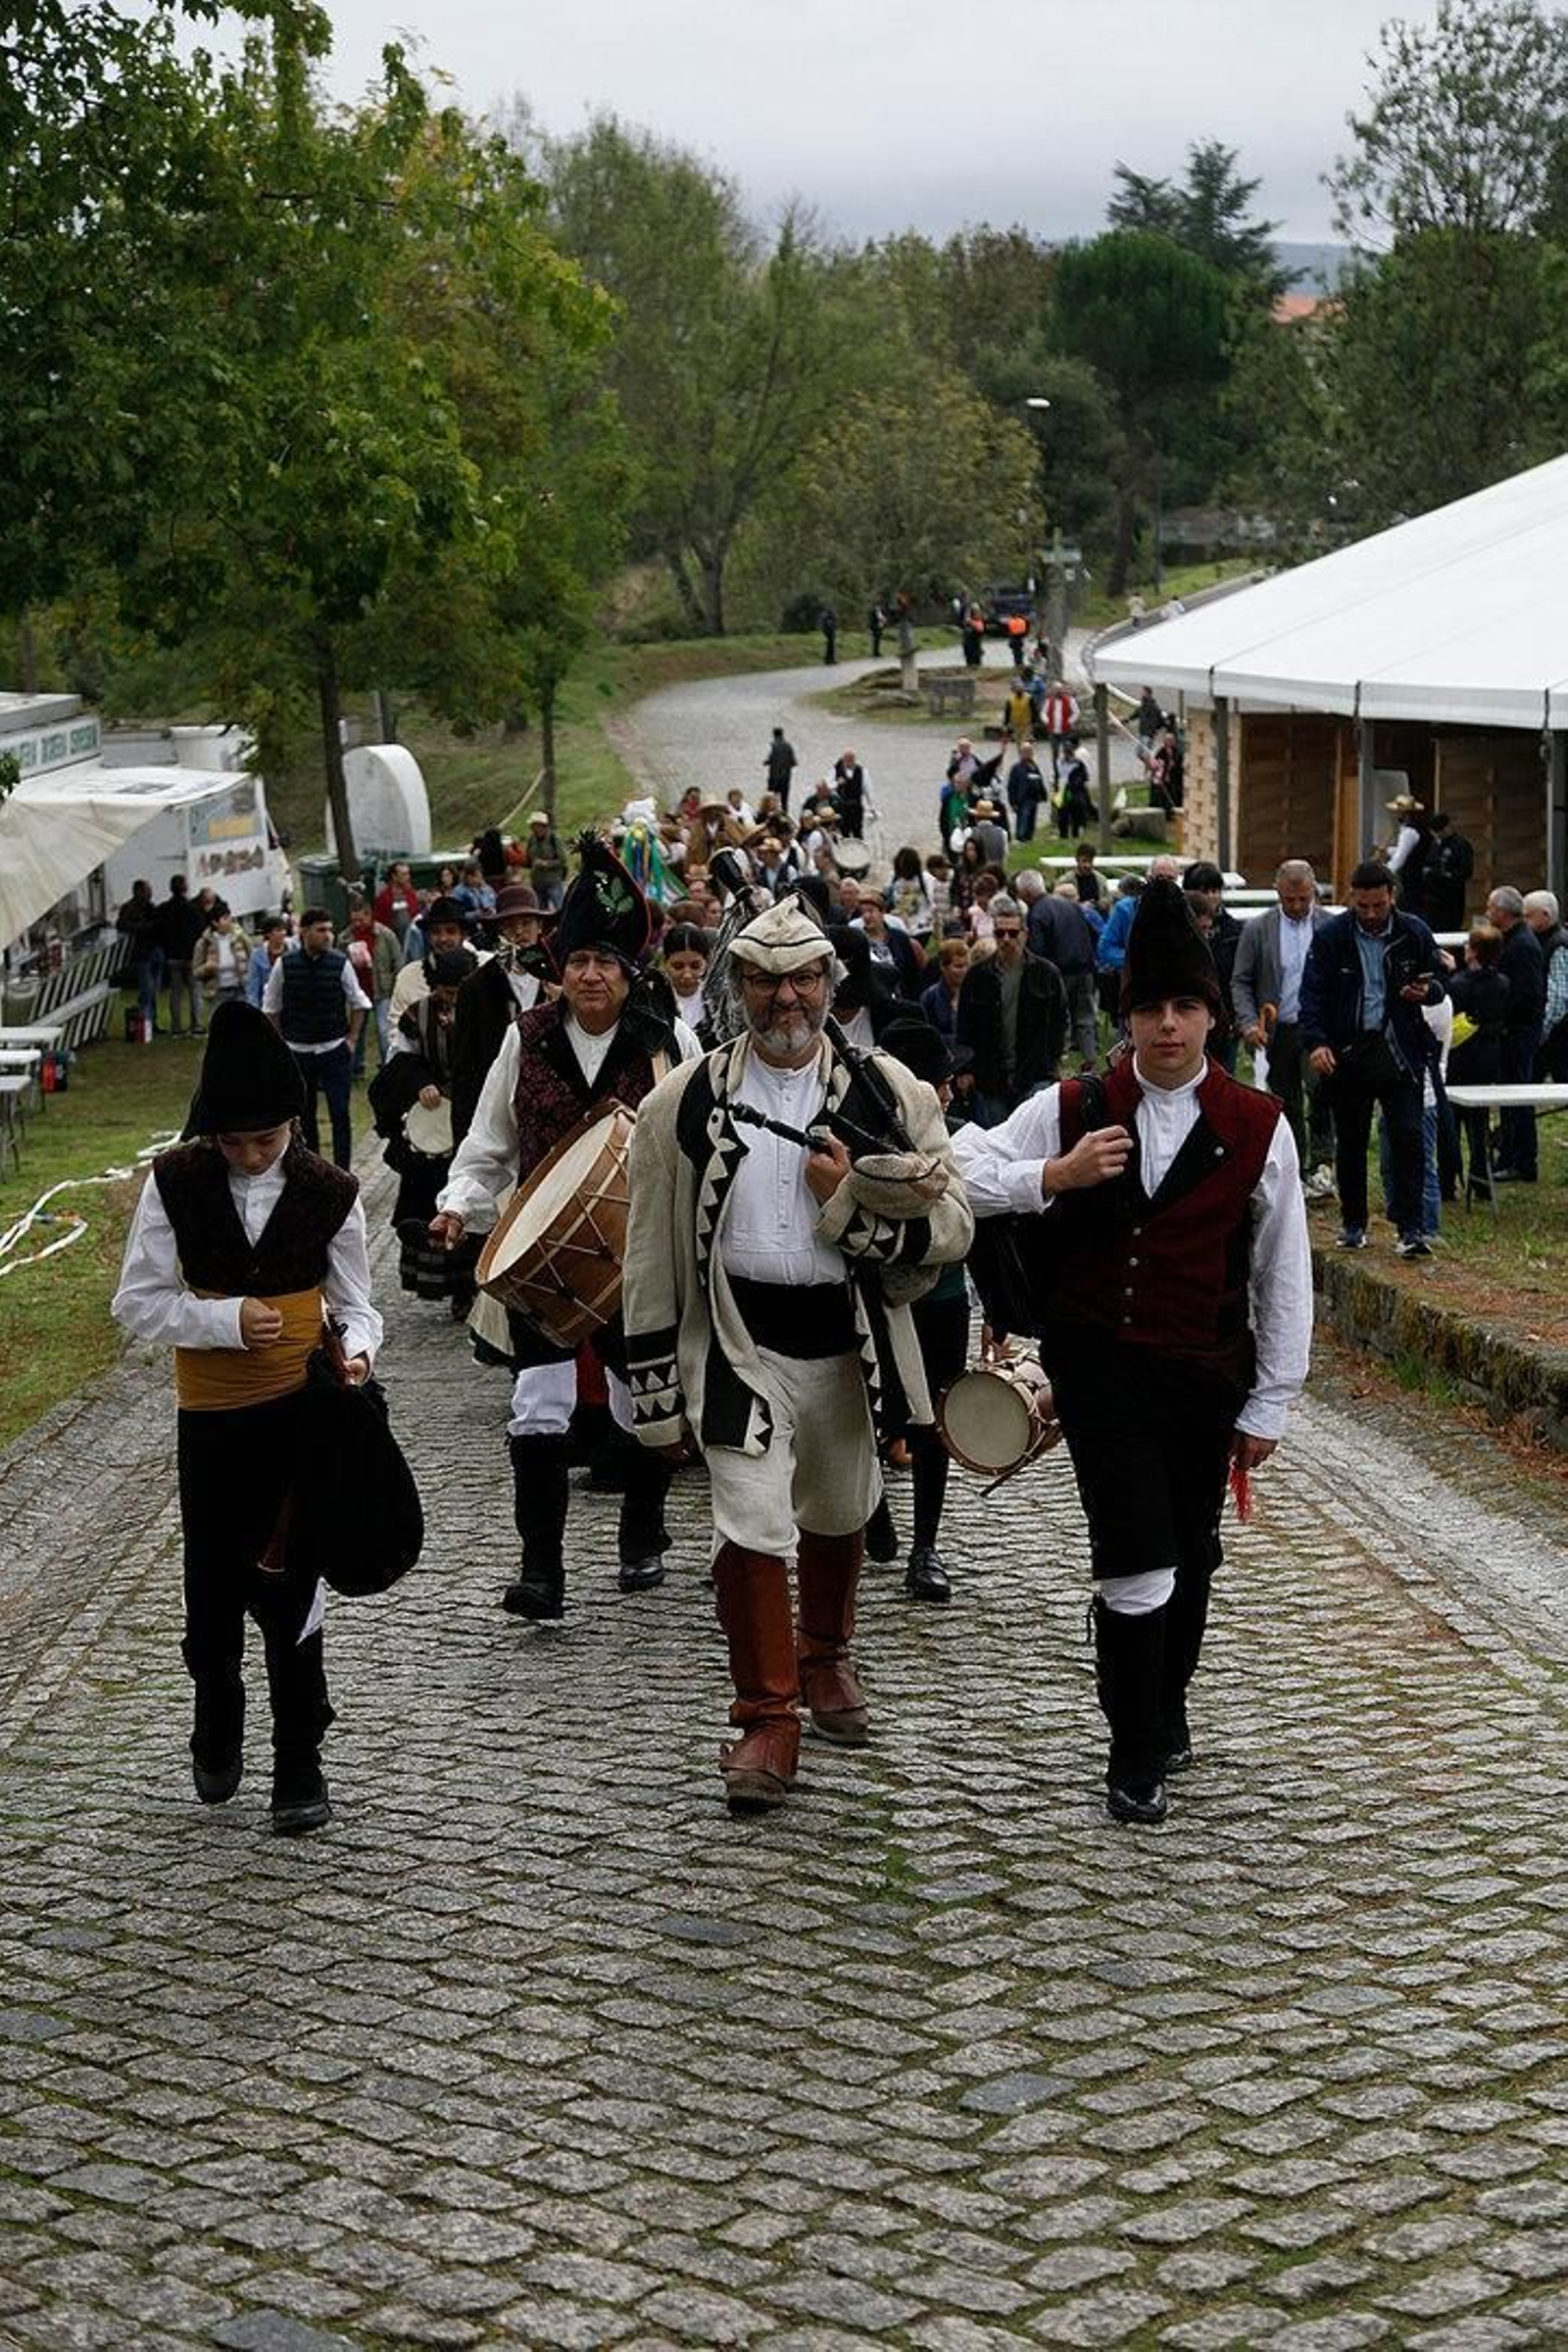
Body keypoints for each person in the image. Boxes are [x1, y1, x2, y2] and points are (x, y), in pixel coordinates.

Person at [953, 879, 1311, 1826]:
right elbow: (958, 1166)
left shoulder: (1257, 1127)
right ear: (1126, 1018)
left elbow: (1282, 1275)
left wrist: (1270, 1403)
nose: (1167, 1027)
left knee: (1191, 1553)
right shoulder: (1074, 1104)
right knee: (1136, 1556)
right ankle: (1134, 1749)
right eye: (1149, 1009)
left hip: (1204, 1373)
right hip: (1099, 1369)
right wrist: (1050, 1177)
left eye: (1185, 1008)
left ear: (1210, 1019)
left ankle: (1165, 1707)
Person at [621, 898, 973, 1813]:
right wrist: (656, 1400)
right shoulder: (684, 1099)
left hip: (849, 1342)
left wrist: (847, 1196)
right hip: (737, 1342)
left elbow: (953, 1225)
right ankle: (765, 1718)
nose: (787, 998)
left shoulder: (893, 1092)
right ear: (737, 987)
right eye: (766, 980)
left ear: (829, 984)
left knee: (838, 1506)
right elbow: (652, 1252)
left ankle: (825, 1657)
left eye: (804, 978)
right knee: (747, 1520)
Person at [110, 1001, 383, 1835]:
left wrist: (360, 1353)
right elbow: (137, 1304)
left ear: (293, 1124)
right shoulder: (176, 1183)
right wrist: (220, 1322)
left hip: (300, 1416)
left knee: (293, 1587)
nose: (250, 1157)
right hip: (214, 1420)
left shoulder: (332, 1193)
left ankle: (301, 1759)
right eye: (233, 1144)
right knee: (212, 1586)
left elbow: (360, 1305)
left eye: (265, 1141)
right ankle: (215, 1717)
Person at [431, 838, 696, 1616]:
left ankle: (642, 1534)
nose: (589, 976)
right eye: (577, 960)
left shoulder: (666, 1040)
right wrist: (458, 1204)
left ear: (629, 970)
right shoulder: (528, 1036)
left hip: (637, 1257)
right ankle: (540, 1567)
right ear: (559, 966)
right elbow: (488, 1144)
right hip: (542, 1256)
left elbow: (700, 1140)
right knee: (537, 1404)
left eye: (605, 963)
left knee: (640, 1400)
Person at [870, 1017, 975, 1604]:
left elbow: (980, 1216)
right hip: (876, 1297)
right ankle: (872, 1506)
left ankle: (926, 1545)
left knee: (934, 1416)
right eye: (938, 1082)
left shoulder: (958, 1135)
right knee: (868, 1409)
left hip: (942, 1295)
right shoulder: (860, 1129)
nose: (948, 1092)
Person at [1298, 859, 1446, 1254]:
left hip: (1401, 1052)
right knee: (1351, 1141)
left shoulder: (1413, 931)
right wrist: (1317, 1043)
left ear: (1391, 897)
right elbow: (1312, 995)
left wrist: (1426, 993)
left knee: (1409, 1138)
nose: (1370, 914)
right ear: (1352, 899)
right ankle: (1353, 1222)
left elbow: (1440, 980)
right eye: (1362, 906)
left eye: (1378, 906)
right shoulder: (1332, 937)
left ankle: (1411, 1228)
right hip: (1349, 1053)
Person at [369, 947, 477, 1295]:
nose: (454, 1000)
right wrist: (420, 1083)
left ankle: (478, 1285)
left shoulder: (489, 1010)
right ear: (435, 987)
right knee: (435, 1200)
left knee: (477, 1198)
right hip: (437, 1121)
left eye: (460, 992)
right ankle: (452, 1287)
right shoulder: (418, 1015)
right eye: (447, 993)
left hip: (477, 1119)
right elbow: (400, 1061)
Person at [1230, 859, 1334, 1193]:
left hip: (1318, 1028)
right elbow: (1241, 981)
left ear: (1313, 892)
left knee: (1321, 1091)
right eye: (1290, 900)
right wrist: (1248, 1022)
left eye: (1304, 899)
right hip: (1278, 1029)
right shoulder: (1258, 929)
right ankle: (1294, 1171)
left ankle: (1323, 1163)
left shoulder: (1329, 927)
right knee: (1286, 1101)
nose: (1297, 906)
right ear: (1278, 894)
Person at [264, 906, 370, 1170]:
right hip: (297, 1050)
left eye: (330, 929)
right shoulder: (284, 965)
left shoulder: (340, 963)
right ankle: (310, 1171)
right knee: (302, 1117)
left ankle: (343, 1171)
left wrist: (351, 1040)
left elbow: (359, 1002)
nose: (328, 935)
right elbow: (271, 1008)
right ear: (305, 932)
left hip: (333, 1049)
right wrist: (280, 1047)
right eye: (321, 930)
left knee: (340, 1114)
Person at [449, 883, 554, 1143]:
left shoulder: (560, 977)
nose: (519, 932)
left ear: (540, 926)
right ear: (498, 930)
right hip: (497, 1110)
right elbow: (464, 1067)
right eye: (510, 924)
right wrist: (465, 1136)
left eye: (527, 922)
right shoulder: (476, 986)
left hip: (552, 1110)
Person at [956, 893, 1068, 1125]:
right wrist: (965, 1069)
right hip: (990, 1076)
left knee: (1030, 1142)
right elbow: (965, 1026)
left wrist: (1053, 1063)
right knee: (994, 1142)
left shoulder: (1047, 974)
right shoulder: (977, 976)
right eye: (1000, 933)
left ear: (1025, 935)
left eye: (1013, 933)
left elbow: (1060, 1022)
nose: (1006, 939)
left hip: (1034, 1073)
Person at [1444, 923, 1510, 1196]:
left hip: (1460, 1059)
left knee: (1451, 1124)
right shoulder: (1503, 983)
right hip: (1487, 1057)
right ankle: (1480, 1178)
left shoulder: (1458, 984)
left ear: (1472, 952)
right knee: (1479, 1123)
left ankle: (1448, 1180)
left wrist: (1449, 973)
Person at [1487, 886, 1546, 1182]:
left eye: (1490, 908)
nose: (1486, 913)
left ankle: (1521, 1160)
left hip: (1518, 1033)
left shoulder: (1521, 945)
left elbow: (1527, 995)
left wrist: (1504, 1021)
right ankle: (1511, 1155)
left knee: (1515, 1097)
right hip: (1515, 1031)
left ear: (1502, 912)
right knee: (1511, 1097)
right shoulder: (1514, 940)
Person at [1023, 873, 1100, 1068]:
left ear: (1026, 893)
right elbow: (1089, 933)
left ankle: (1059, 1060)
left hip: (1060, 972)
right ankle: (1090, 1058)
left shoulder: (1037, 913)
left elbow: (1037, 950)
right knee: (1085, 1017)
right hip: (1084, 968)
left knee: (1060, 1017)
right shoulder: (1071, 905)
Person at [389, 897, 476, 1036]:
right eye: (436, 932)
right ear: (429, 936)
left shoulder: (484, 967)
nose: (443, 938)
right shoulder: (409, 977)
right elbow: (395, 1031)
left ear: (463, 935)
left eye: (450, 931)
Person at [340, 897, 401, 1074]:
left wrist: (395, 987)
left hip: (382, 990)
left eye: (361, 919)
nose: (357, 924)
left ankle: (388, 1067)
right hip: (358, 992)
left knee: (384, 1031)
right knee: (356, 1032)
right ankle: (355, 1067)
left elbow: (397, 961)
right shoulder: (345, 938)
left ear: (370, 916)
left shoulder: (385, 935)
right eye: (354, 920)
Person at [1525, 889, 1568, 1081]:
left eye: (1528, 916)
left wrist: (1540, 1033)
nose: (1524, 921)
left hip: (1557, 1034)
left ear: (1545, 915)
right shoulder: (1542, 941)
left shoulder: (1559, 945)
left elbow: (1559, 997)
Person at [156, 874, 207, 1037]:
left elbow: (160, 931)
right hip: (191, 956)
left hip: (172, 956)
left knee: (176, 993)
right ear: (185, 888)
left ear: (171, 888)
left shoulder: (164, 908)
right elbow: (201, 931)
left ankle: (176, 1027)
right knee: (195, 992)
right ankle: (196, 1025)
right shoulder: (193, 909)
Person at [117, 880, 165, 1036]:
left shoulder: (151, 907)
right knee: (147, 990)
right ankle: (146, 1024)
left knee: (154, 990)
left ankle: (153, 1021)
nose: (150, 893)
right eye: (147, 890)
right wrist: (145, 927)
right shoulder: (128, 909)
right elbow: (122, 926)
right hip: (142, 953)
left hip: (155, 950)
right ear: (138, 891)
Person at [1422, 810, 1474, 935]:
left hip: (1451, 900)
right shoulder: (1434, 843)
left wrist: (1444, 875)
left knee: (1450, 932)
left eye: (1439, 832)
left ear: (1446, 828)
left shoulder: (1461, 845)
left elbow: (1466, 872)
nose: (1437, 835)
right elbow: (1428, 862)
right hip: (1432, 898)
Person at [193, 908, 253, 1014]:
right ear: (215, 923)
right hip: (217, 993)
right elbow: (196, 972)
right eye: (225, 919)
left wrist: (243, 935)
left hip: (239, 990)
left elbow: (252, 955)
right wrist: (207, 967)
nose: (230, 921)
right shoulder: (204, 943)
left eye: (230, 918)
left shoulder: (239, 938)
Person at [1385, 794, 1433, 919]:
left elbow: (1399, 860)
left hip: (1412, 880)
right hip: (1418, 878)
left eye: (1398, 813)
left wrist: (1382, 872)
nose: (1395, 815)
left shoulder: (1409, 832)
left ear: (1404, 814)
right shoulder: (1416, 830)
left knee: (1410, 912)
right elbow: (1408, 850)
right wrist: (1388, 851)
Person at [920, 932, 970, 1042]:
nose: (964, 971)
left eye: (967, 965)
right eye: (958, 966)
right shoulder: (930, 997)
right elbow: (927, 1036)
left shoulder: (976, 993)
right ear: (943, 966)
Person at [519, 811, 567, 908]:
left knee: (560, 908)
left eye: (534, 826)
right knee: (541, 911)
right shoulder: (532, 840)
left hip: (553, 881)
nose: (532, 829)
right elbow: (528, 860)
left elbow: (562, 860)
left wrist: (546, 864)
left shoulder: (554, 839)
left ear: (543, 826)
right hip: (537, 883)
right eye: (532, 826)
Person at [245, 915, 289, 1010]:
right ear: (268, 934)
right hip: (268, 1005)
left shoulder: (292, 949)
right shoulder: (257, 956)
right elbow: (253, 986)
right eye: (278, 930)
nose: (283, 933)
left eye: (284, 930)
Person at [1006, 742, 1047, 843]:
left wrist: (1043, 794)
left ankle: (1029, 838)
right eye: (1026, 751)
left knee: (1031, 820)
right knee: (1023, 819)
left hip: (1034, 798)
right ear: (1020, 753)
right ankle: (1021, 838)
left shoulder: (1034, 766)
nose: (1028, 753)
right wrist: (1012, 802)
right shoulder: (1016, 768)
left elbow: (1039, 780)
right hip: (1022, 799)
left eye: (1030, 751)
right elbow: (1011, 786)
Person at [1055, 741, 1097, 836]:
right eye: (1065, 752)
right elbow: (1057, 776)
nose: (1067, 755)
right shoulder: (1059, 762)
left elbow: (1085, 777)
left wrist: (1076, 782)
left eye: (1069, 752)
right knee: (1062, 814)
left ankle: (1076, 833)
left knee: (1076, 813)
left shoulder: (1079, 764)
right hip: (1062, 791)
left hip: (1075, 792)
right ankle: (1063, 834)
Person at [1041, 682, 1079, 780]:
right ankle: (1056, 772)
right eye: (1056, 690)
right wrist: (1046, 721)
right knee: (1054, 753)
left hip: (1066, 731)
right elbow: (1043, 713)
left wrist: (1070, 721)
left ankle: (1069, 771)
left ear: (1062, 690)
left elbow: (1076, 712)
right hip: (1053, 731)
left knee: (1067, 750)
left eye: (1060, 690)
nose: (1058, 692)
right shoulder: (1049, 701)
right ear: (1053, 691)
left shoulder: (1070, 700)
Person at [374, 862, 420, 941]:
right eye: (404, 874)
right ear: (394, 876)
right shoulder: (384, 897)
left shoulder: (411, 893)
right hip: (392, 941)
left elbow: (416, 914)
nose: (408, 877)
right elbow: (379, 921)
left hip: (411, 940)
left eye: (408, 874)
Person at [833, 750, 867, 840]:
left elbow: (867, 788)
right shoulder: (836, 770)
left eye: (852, 760)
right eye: (847, 759)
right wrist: (837, 783)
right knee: (844, 832)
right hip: (842, 807)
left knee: (857, 832)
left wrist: (872, 807)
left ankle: (859, 850)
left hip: (856, 806)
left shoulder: (861, 771)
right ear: (843, 760)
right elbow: (829, 786)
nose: (850, 762)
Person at [763, 726, 798, 815]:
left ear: (774, 735)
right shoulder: (789, 746)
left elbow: (767, 760)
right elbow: (794, 763)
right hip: (785, 778)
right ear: (782, 734)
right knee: (784, 801)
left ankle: (770, 816)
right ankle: (785, 817)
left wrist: (768, 762)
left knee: (770, 800)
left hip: (774, 778)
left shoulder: (772, 745)